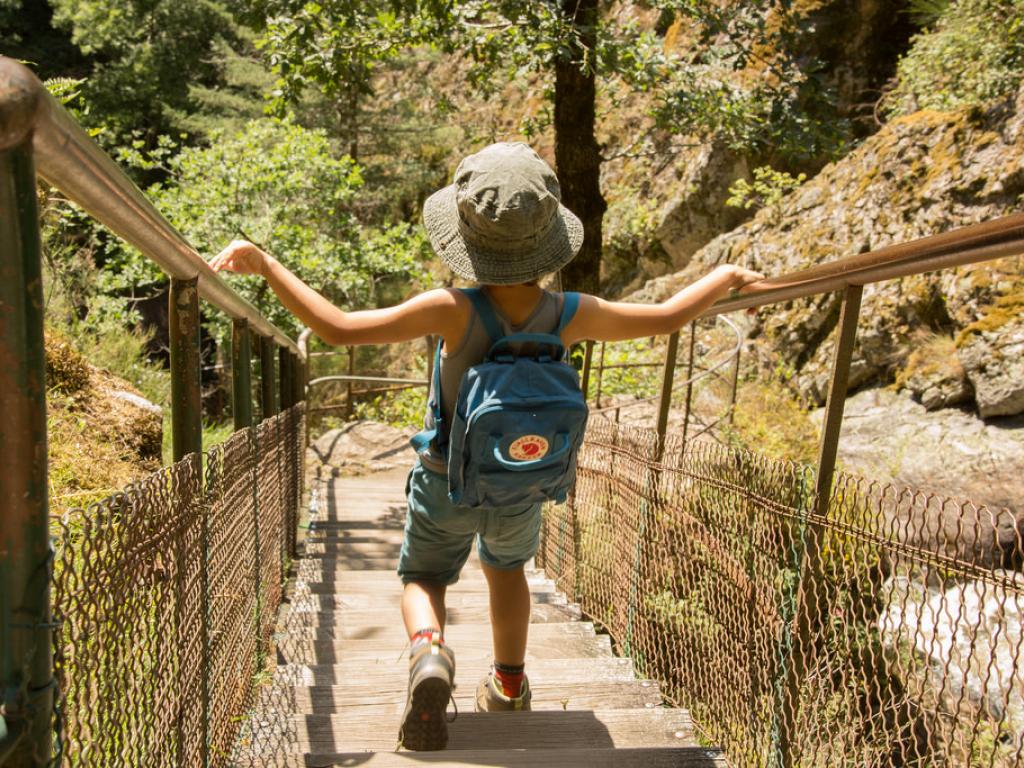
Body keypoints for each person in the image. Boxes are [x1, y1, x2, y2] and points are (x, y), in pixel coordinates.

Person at [210, 141, 764, 751]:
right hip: (521, 478)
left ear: (467, 239)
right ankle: (508, 683)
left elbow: (337, 328)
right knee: (508, 572)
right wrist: (724, 276)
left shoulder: (451, 309)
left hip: (447, 478)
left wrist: (266, 266)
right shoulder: (570, 312)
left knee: (424, 575)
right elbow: (664, 318)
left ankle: (430, 653)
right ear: (548, 239)